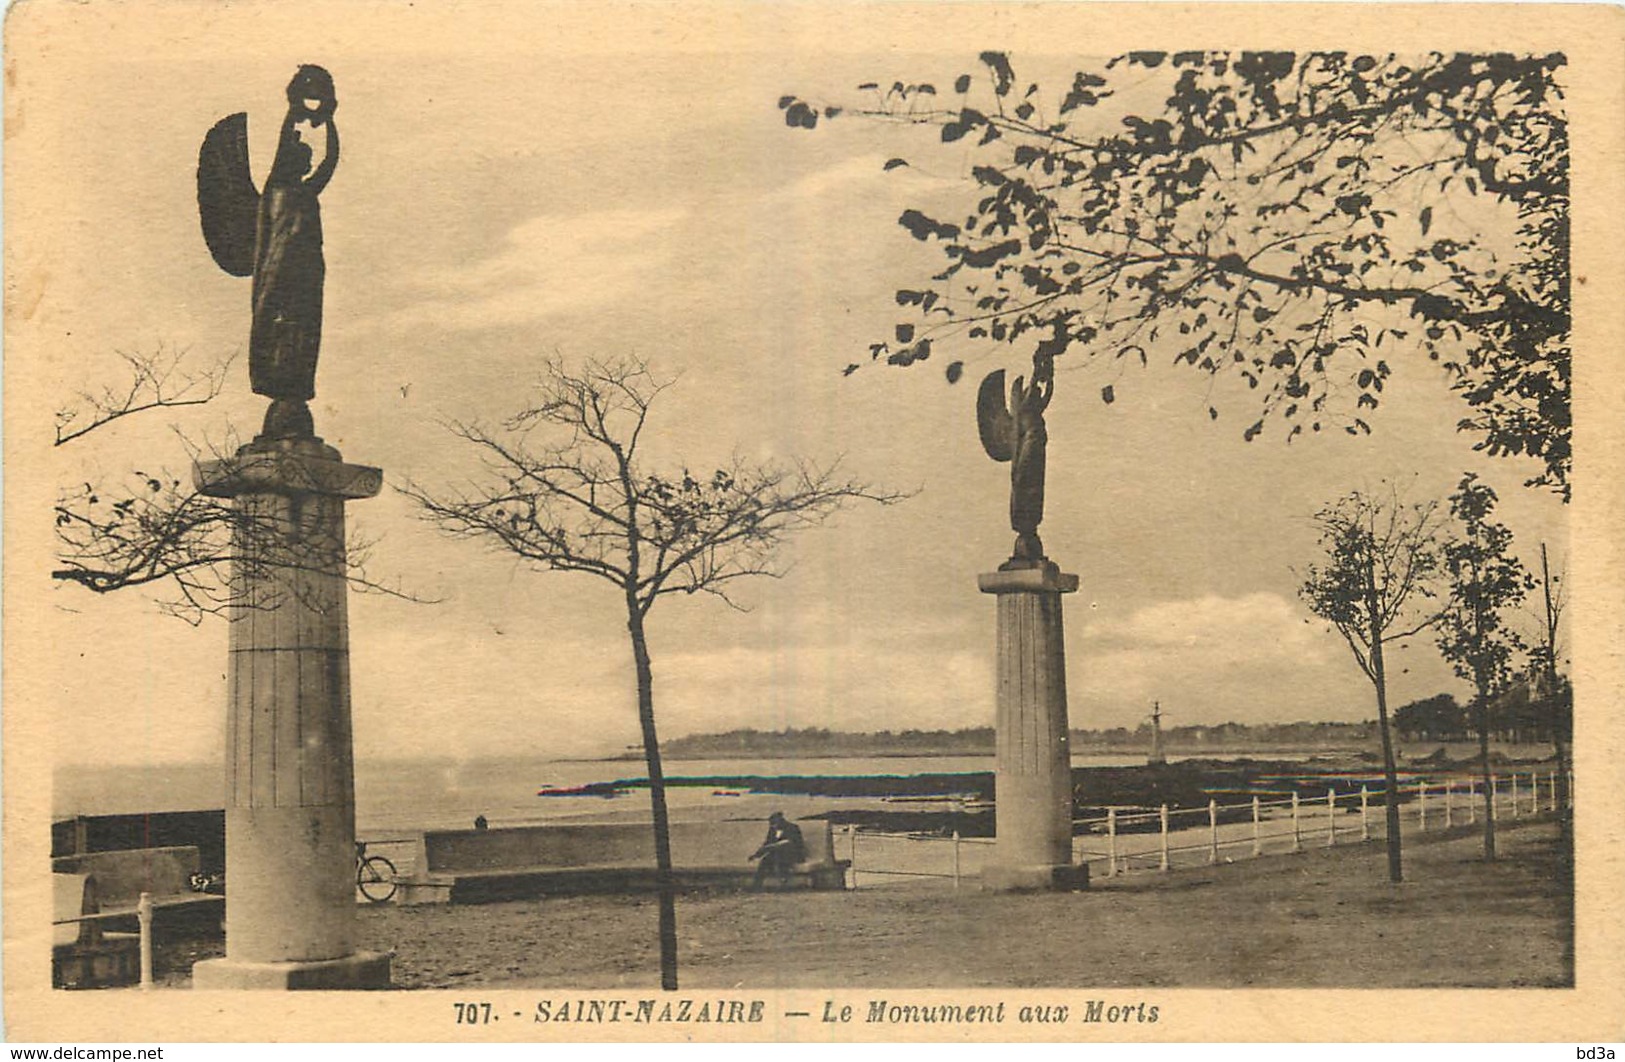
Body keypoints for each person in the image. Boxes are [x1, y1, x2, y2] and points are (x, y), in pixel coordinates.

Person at [748, 811, 806, 890]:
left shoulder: (793, 828)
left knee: (780, 857)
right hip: (776, 854)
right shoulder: (772, 829)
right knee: (765, 861)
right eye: (772, 825)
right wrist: (756, 855)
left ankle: (783, 884)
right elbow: (767, 844)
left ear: (781, 821)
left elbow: (796, 843)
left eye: (775, 824)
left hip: (792, 854)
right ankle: (757, 885)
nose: (773, 826)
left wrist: (779, 844)